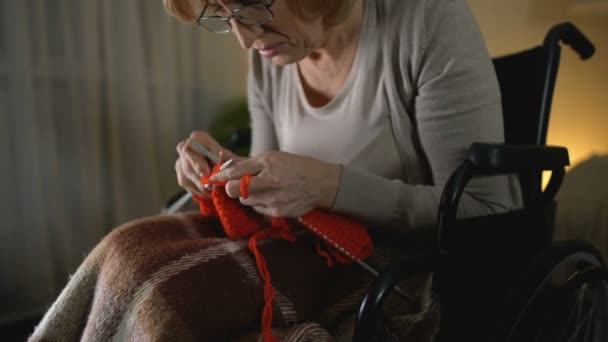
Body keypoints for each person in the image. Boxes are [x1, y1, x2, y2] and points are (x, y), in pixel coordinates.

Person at [29, 0, 521, 341]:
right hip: (299, 248)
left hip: (396, 270)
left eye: (250, 8)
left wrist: (329, 186)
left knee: (165, 290)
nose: (244, 40)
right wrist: (227, 175)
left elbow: (486, 212)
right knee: (124, 249)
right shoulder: (272, 54)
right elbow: (264, 200)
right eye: (224, 16)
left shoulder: (427, 23)